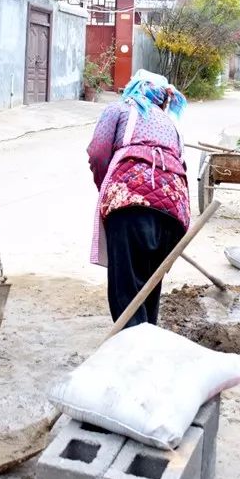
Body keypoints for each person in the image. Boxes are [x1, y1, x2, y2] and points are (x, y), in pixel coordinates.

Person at [86, 70, 190, 327]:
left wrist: (108, 188)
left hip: (130, 206)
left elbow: (98, 153)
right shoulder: (171, 123)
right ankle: (147, 343)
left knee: (126, 289)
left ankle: (133, 354)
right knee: (149, 286)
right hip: (175, 212)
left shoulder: (119, 109)